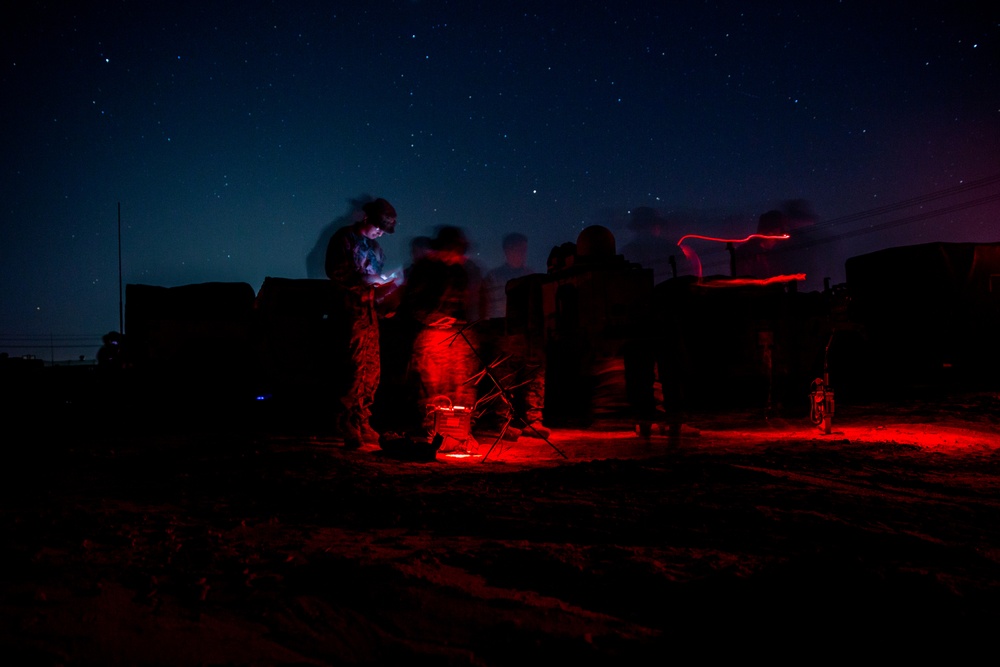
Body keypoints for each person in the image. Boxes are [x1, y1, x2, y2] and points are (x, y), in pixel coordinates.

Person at [394, 225, 481, 452]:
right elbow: (410, 302)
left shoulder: (462, 270)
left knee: (461, 386)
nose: (458, 256)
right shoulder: (425, 269)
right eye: (454, 250)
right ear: (445, 248)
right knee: (431, 387)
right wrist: (429, 317)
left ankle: (459, 433)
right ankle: (430, 432)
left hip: (459, 335)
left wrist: (469, 327)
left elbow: (472, 302)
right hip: (432, 336)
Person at [324, 197, 399, 448]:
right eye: (378, 227)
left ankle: (362, 419)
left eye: (384, 230)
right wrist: (366, 280)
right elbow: (336, 271)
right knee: (352, 370)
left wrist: (387, 297)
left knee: (371, 371)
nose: (380, 233)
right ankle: (345, 422)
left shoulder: (377, 249)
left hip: (370, 317)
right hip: (349, 315)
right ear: (366, 218)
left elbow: (377, 284)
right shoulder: (344, 239)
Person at [479, 232, 535, 320]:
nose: (523, 254)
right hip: (498, 327)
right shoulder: (493, 277)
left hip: (524, 326)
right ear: (507, 250)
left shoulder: (531, 276)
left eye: (524, 250)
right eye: (519, 249)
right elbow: (484, 307)